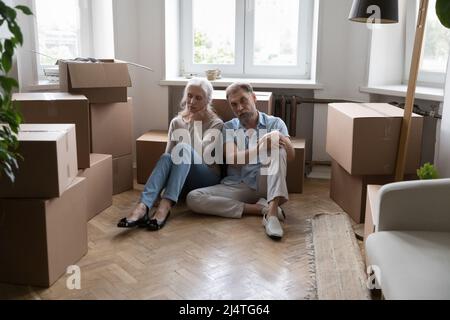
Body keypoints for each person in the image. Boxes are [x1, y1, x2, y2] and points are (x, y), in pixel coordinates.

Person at [186, 82, 295, 240]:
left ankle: (271, 216)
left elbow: (291, 156)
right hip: (237, 185)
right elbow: (233, 160)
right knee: (193, 198)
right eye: (234, 104)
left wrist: (280, 139)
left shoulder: (275, 123)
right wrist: (260, 146)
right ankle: (260, 209)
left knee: (278, 147)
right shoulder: (228, 127)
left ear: (254, 97)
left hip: (265, 182)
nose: (239, 107)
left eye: (243, 100)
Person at [117, 78, 224, 231]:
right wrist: (159, 189)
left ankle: (165, 207)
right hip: (180, 182)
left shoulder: (216, 123)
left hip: (205, 178)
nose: (191, 101)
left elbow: (202, 153)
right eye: (189, 95)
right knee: (167, 157)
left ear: (208, 100)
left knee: (183, 149)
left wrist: (195, 123)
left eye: (198, 98)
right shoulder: (176, 122)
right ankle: (143, 206)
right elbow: (168, 157)